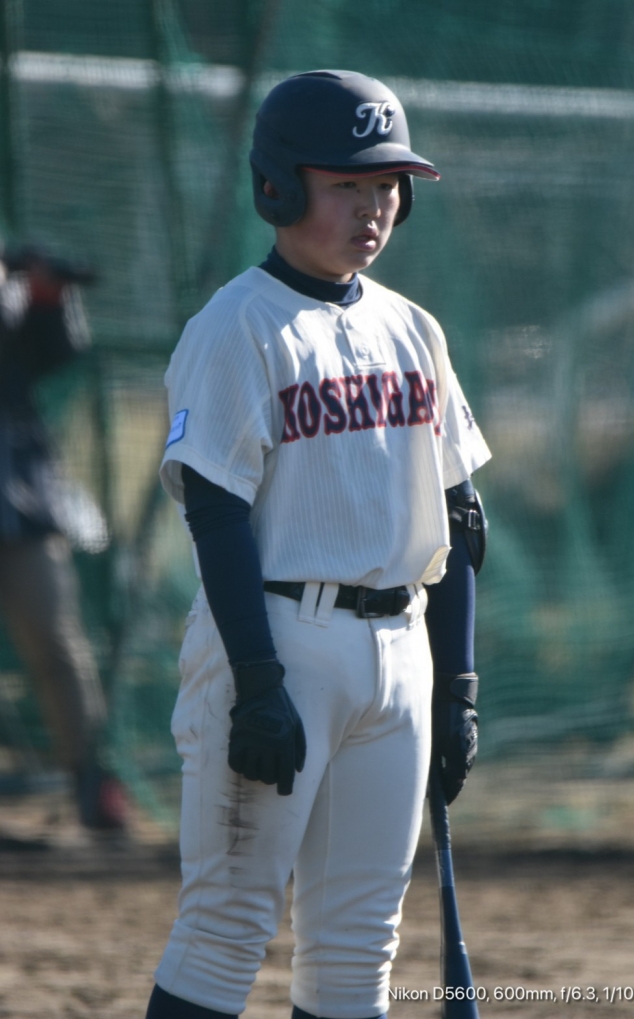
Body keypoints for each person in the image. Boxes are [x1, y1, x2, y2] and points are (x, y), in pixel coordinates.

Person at [147, 70, 490, 1019]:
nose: (372, 207)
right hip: (279, 639)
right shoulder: (237, 326)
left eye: (387, 185)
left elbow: (459, 520)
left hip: (400, 652)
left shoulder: (413, 328)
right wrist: (257, 682)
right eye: (345, 183)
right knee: (225, 928)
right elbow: (215, 514)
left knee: (357, 951)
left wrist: (457, 685)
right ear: (279, 186)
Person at [0, 245, 127, 833]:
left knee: (57, 644)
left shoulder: (12, 291)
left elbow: (55, 354)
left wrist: (48, 297)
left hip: (21, 498)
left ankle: (91, 783)